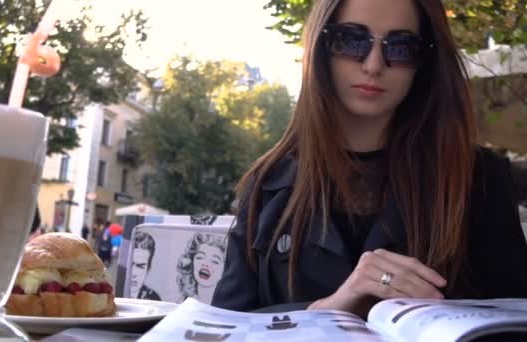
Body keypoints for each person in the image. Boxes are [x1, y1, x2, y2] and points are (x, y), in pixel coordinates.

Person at [212, 0, 527, 317]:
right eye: (352, 40)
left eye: (401, 47)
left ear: (425, 60)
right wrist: (326, 312)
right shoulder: (268, 183)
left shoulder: (478, 178)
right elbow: (223, 328)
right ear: (321, 46)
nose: (374, 64)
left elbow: (514, 322)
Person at [177, 233, 226, 303]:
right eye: (200, 257)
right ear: (191, 262)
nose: (206, 264)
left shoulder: (227, 305)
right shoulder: (183, 302)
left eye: (215, 261)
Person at [130, 231, 161, 300]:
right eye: (131, 265)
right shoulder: (111, 291)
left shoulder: (154, 299)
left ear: (148, 269)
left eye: (140, 266)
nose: (134, 273)